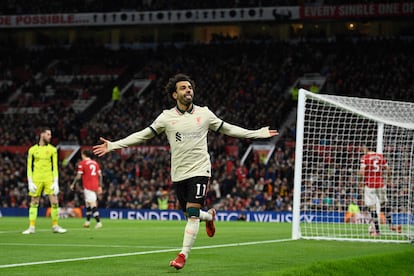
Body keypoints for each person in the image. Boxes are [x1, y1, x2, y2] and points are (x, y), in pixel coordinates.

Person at [93, 74, 278, 270]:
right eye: (183, 88)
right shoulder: (166, 117)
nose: (188, 90)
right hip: (178, 173)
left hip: (200, 169)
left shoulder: (205, 114)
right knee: (190, 213)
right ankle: (209, 217)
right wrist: (114, 145)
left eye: (189, 87)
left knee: (191, 213)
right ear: (174, 95)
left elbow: (229, 129)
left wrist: (256, 133)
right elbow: (143, 135)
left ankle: (182, 255)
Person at [22, 127, 67, 234]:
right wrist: (30, 182)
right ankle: (31, 227)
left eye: (50, 135)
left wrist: (56, 182)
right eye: (48, 134)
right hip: (36, 178)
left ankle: (55, 226)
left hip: (49, 178)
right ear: (42, 135)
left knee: (55, 202)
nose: (50, 137)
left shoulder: (52, 149)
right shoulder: (32, 150)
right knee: (34, 202)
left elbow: (55, 167)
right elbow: (29, 167)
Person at [358, 145, 401, 236]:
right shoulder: (380, 156)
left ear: (367, 147)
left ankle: (377, 231)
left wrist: (360, 182)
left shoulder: (365, 157)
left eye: (362, 147)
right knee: (384, 204)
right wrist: (389, 180)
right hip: (381, 184)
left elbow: (362, 171)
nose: (361, 149)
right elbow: (388, 169)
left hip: (370, 185)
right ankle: (391, 225)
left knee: (372, 208)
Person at [70, 150, 103, 229]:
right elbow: (100, 175)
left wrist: (73, 184)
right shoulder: (95, 163)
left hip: (88, 186)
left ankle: (98, 222)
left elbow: (78, 176)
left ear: (83, 155)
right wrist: (100, 186)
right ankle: (87, 222)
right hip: (95, 186)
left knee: (92, 204)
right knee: (87, 204)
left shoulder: (82, 163)